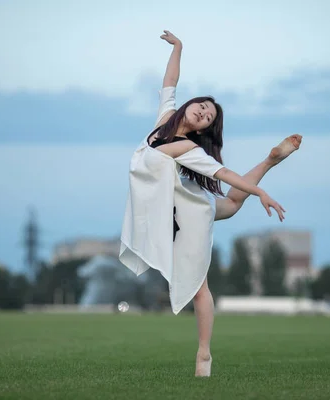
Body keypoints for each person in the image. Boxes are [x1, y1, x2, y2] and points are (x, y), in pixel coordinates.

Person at [119, 30, 302, 377]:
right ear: (191, 104)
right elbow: (170, 81)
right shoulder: (163, 122)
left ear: (204, 130)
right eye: (202, 107)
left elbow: (222, 171)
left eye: (207, 118)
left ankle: (204, 354)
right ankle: (269, 161)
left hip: (186, 210)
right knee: (231, 205)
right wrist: (178, 47)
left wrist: (260, 193)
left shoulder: (191, 151)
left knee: (200, 285)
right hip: (183, 201)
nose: (202, 114)